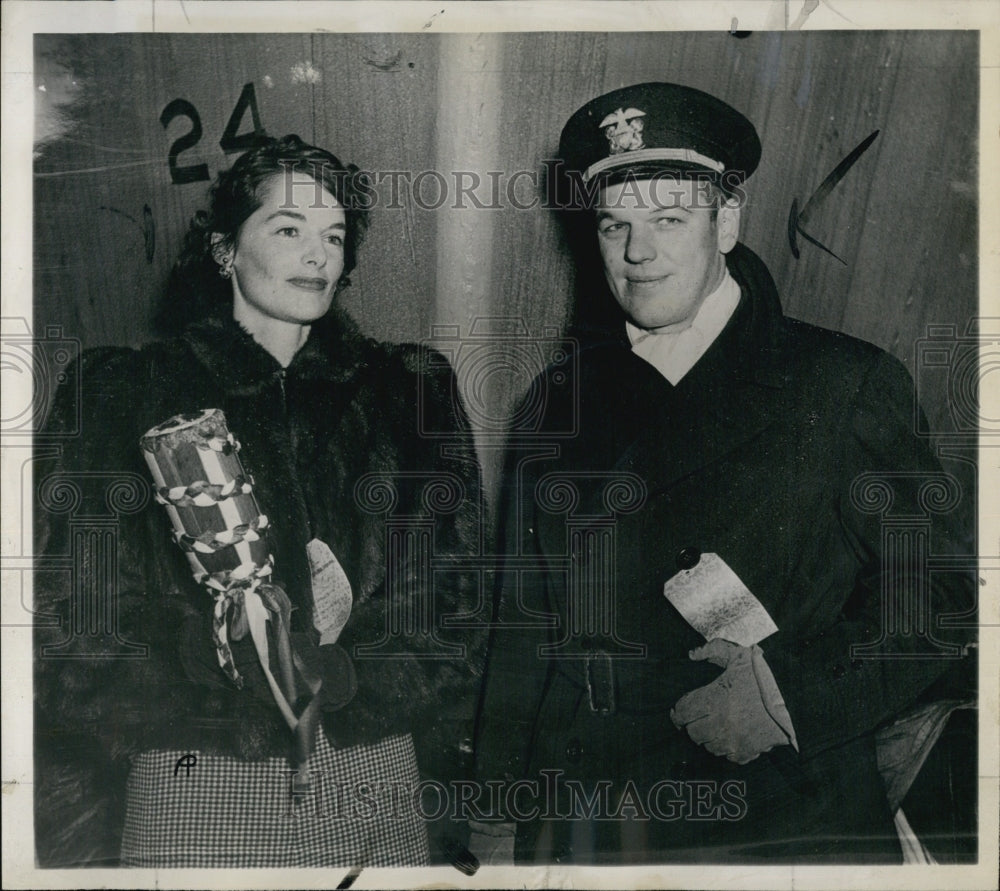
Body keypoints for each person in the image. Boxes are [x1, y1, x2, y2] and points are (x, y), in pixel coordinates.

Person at [475, 83, 975, 863]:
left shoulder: (841, 383)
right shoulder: (553, 406)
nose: (639, 253)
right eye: (617, 224)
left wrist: (788, 700)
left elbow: (937, 600)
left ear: (727, 220)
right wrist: (499, 807)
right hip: (586, 816)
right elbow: (522, 628)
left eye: (669, 218)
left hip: (772, 817)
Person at [34, 135, 483, 868]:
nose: (318, 255)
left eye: (334, 235)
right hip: (196, 773)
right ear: (223, 250)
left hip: (364, 766)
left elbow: (458, 602)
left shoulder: (410, 391)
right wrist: (211, 658)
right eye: (288, 229)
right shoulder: (119, 392)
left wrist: (349, 672)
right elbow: (69, 623)